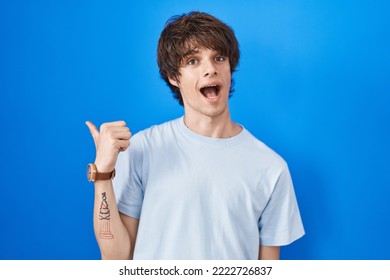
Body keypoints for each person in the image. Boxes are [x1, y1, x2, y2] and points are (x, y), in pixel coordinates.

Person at [86, 11, 304, 260]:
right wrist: (102, 174)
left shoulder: (271, 167)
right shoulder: (142, 149)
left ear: (230, 68)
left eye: (219, 58)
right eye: (193, 61)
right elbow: (116, 260)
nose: (210, 69)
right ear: (173, 77)